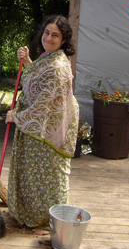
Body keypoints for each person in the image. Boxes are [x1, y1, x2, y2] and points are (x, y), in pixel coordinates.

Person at [5, 15, 79, 235]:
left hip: (51, 127)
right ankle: (32, 216)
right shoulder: (47, 58)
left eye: (55, 35)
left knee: (50, 175)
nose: (49, 37)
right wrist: (28, 61)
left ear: (64, 40)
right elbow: (36, 80)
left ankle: (49, 222)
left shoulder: (57, 67)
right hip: (38, 126)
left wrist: (17, 117)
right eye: (47, 32)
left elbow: (43, 104)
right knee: (33, 172)